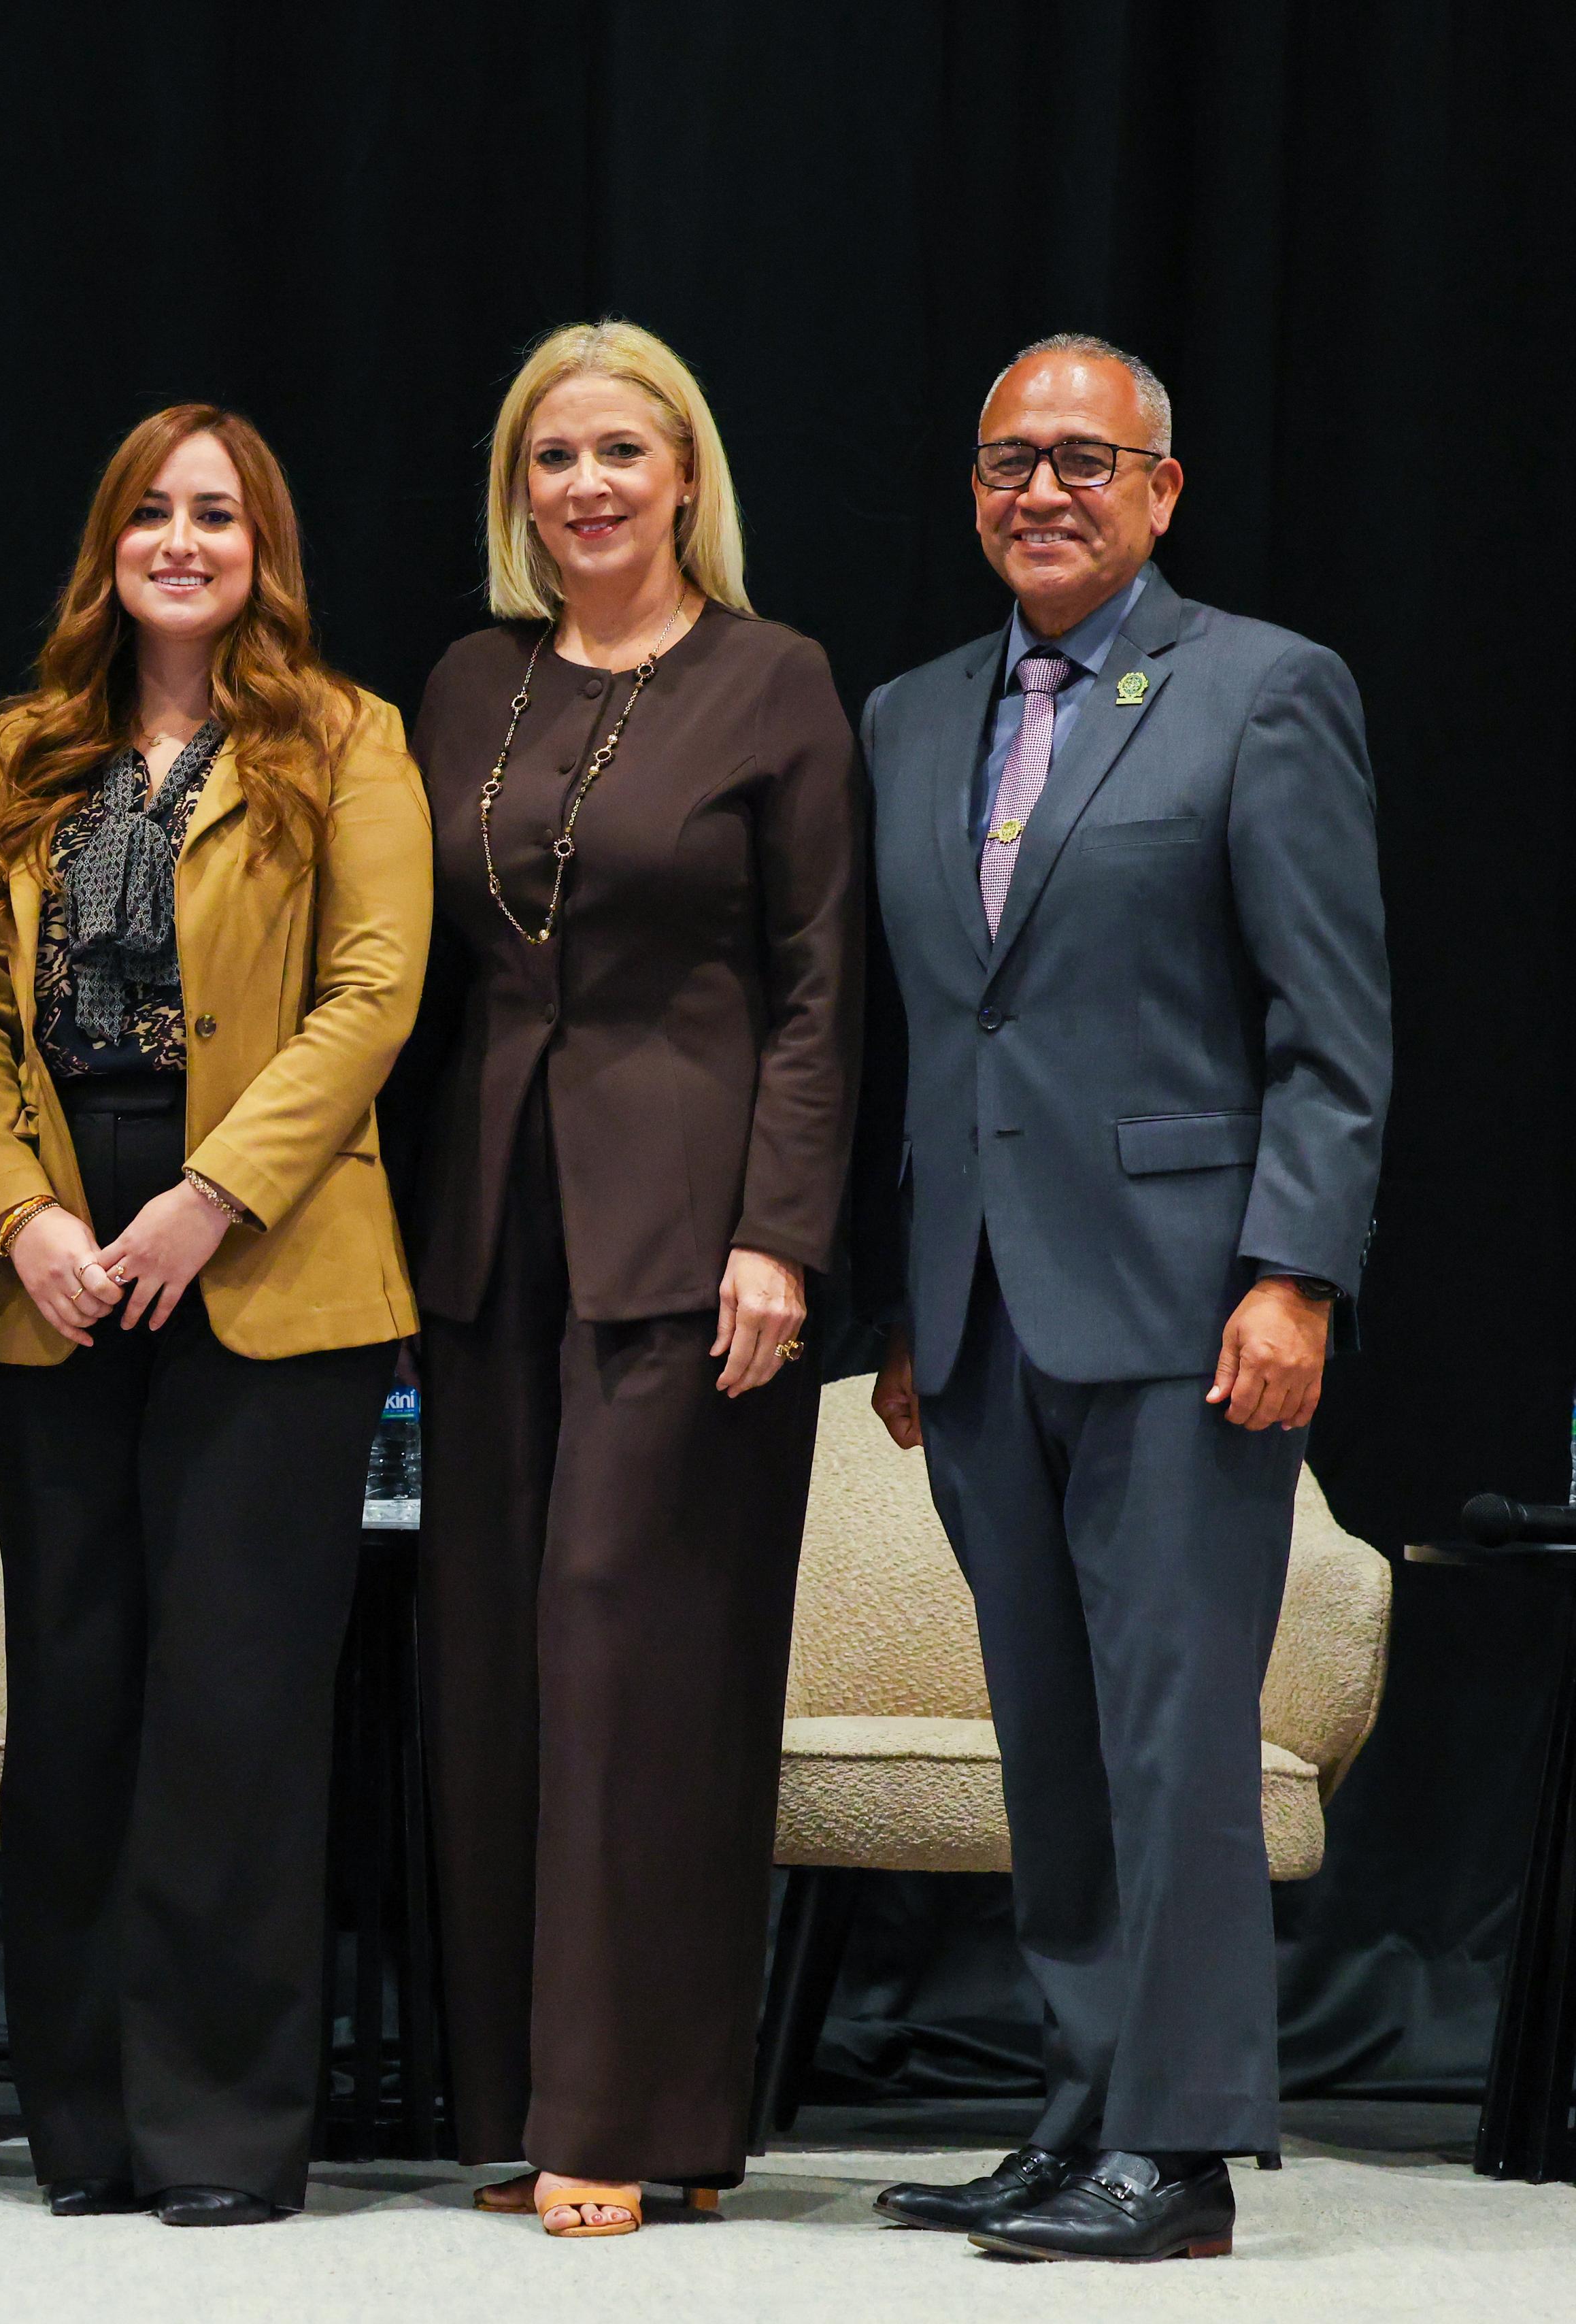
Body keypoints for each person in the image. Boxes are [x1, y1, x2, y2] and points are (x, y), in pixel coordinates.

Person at [861, 335, 1388, 2264]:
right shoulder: (909, 715)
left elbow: (1332, 1028)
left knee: (1173, 1739)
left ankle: (1180, 2151)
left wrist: (1294, 1274)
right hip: (978, 1312)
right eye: (1009, 461)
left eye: (1086, 460)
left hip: (1188, 1309)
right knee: (1053, 1736)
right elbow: (941, 1036)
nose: (1043, 492)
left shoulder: (1263, 689)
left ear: (1163, 490)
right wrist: (908, 1304)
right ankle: (1084, 2108)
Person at [0, 405, 430, 2228]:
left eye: (216, 514)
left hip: (265, 1254)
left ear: (261, 548)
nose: (181, 539)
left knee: (236, 1706)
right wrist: (24, 1216)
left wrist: (209, 1195)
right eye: (149, 510)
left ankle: (222, 2132)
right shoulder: (26, 751)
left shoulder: (347, 737)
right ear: (109, 544)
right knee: (76, 1697)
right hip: (59, 1264)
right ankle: (88, 2129)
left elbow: (374, 994)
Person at [402, 321, 861, 2239]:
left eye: (618, 452)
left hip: (693, 1234)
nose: (584, 486)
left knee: (634, 1651)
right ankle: (519, 2100)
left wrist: (783, 1233)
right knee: (494, 1658)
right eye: (551, 457)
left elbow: (825, 983)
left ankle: (633, 2110)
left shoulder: (776, 678)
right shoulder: (465, 682)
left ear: (685, 478)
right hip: (487, 1226)